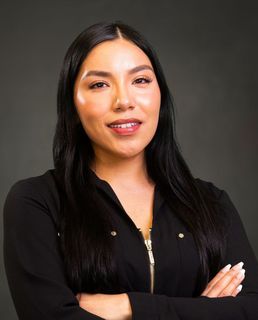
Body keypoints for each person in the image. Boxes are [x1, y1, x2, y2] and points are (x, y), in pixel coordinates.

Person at [3, 21, 258, 320]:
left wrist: (129, 307)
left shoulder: (211, 203)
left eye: (140, 80)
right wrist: (204, 311)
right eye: (99, 84)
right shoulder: (36, 202)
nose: (124, 101)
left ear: (160, 96)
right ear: (72, 104)